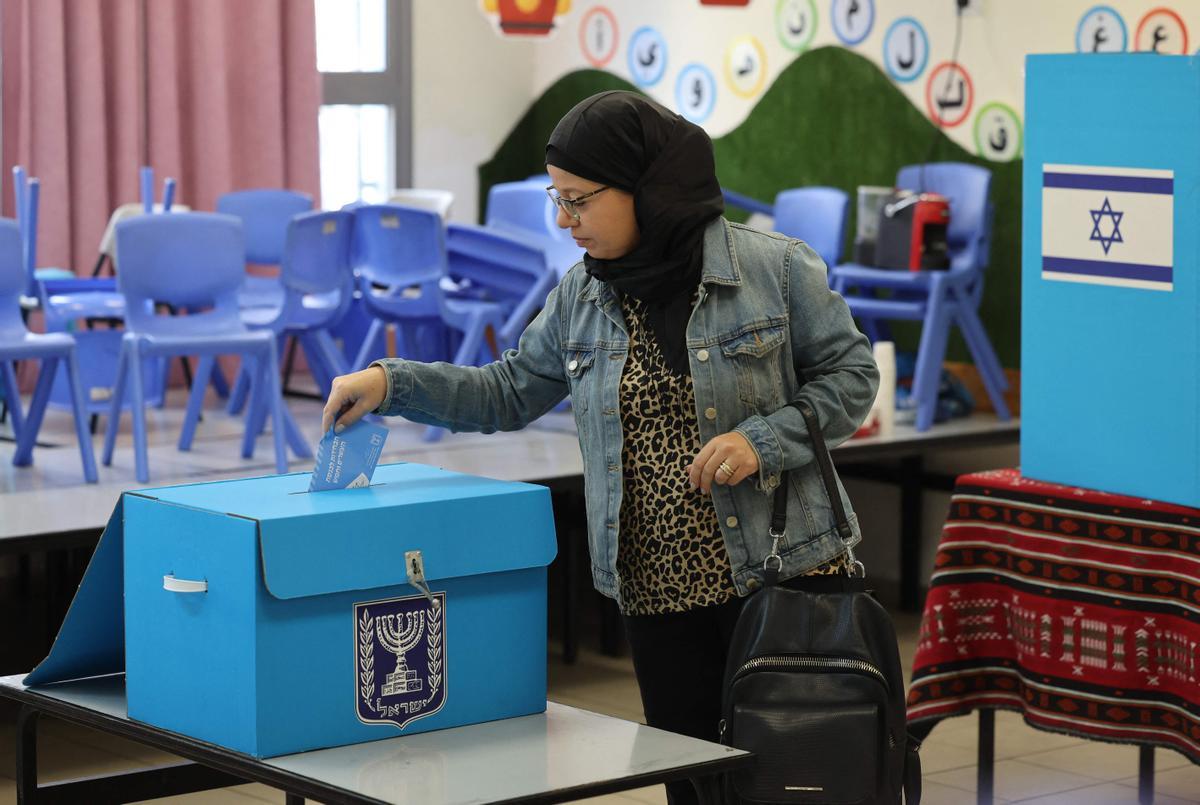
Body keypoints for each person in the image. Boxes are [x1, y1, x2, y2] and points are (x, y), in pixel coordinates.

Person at [323, 91, 879, 805]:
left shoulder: (773, 268)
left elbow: (853, 375)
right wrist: (389, 382)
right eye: (558, 198)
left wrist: (762, 439)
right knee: (694, 784)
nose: (564, 219)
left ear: (647, 187)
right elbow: (508, 390)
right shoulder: (582, 295)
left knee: (796, 779)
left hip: (781, 578)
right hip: (654, 590)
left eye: (580, 199)